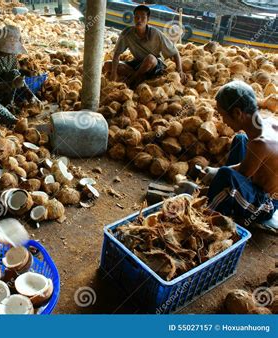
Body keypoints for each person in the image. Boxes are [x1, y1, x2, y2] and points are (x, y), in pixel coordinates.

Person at [204, 81, 278, 233]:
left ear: (237, 113)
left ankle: (207, 218)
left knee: (225, 175)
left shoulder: (260, 144)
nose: (223, 121)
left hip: (265, 203)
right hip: (259, 180)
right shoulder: (269, 122)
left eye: (223, 115)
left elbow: (240, 172)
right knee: (240, 140)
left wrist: (213, 173)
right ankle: (224, 196)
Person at [104, 5, 186, 88]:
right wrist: (114, 73)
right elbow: (117, 54)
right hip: (138, 63)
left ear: (148, 20)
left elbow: (175, 52)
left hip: (154, 66)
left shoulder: (156, 33)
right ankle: (142, 78)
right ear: (134, 18)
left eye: (143, 17)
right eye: (137, 17)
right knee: (107, 64)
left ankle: (132, 80)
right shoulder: (127, 33)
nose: (139, 20)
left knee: (150, 58)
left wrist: (180, 71)